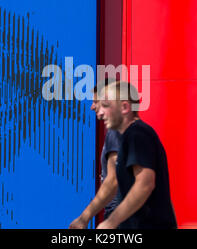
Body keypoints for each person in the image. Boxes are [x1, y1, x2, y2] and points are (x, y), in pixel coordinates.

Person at [96, 81, 177, 229]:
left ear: (125, 107)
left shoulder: (137, 135)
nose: (100, 112)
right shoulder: (133, 136)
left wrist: (111, 222)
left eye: (106, 105)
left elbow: (145, 184)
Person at [69, 82, 122, 229]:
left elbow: (113, 181)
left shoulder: (115, 133)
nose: (92, 107)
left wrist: (84, 218)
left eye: (96, 102)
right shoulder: (131, 131)